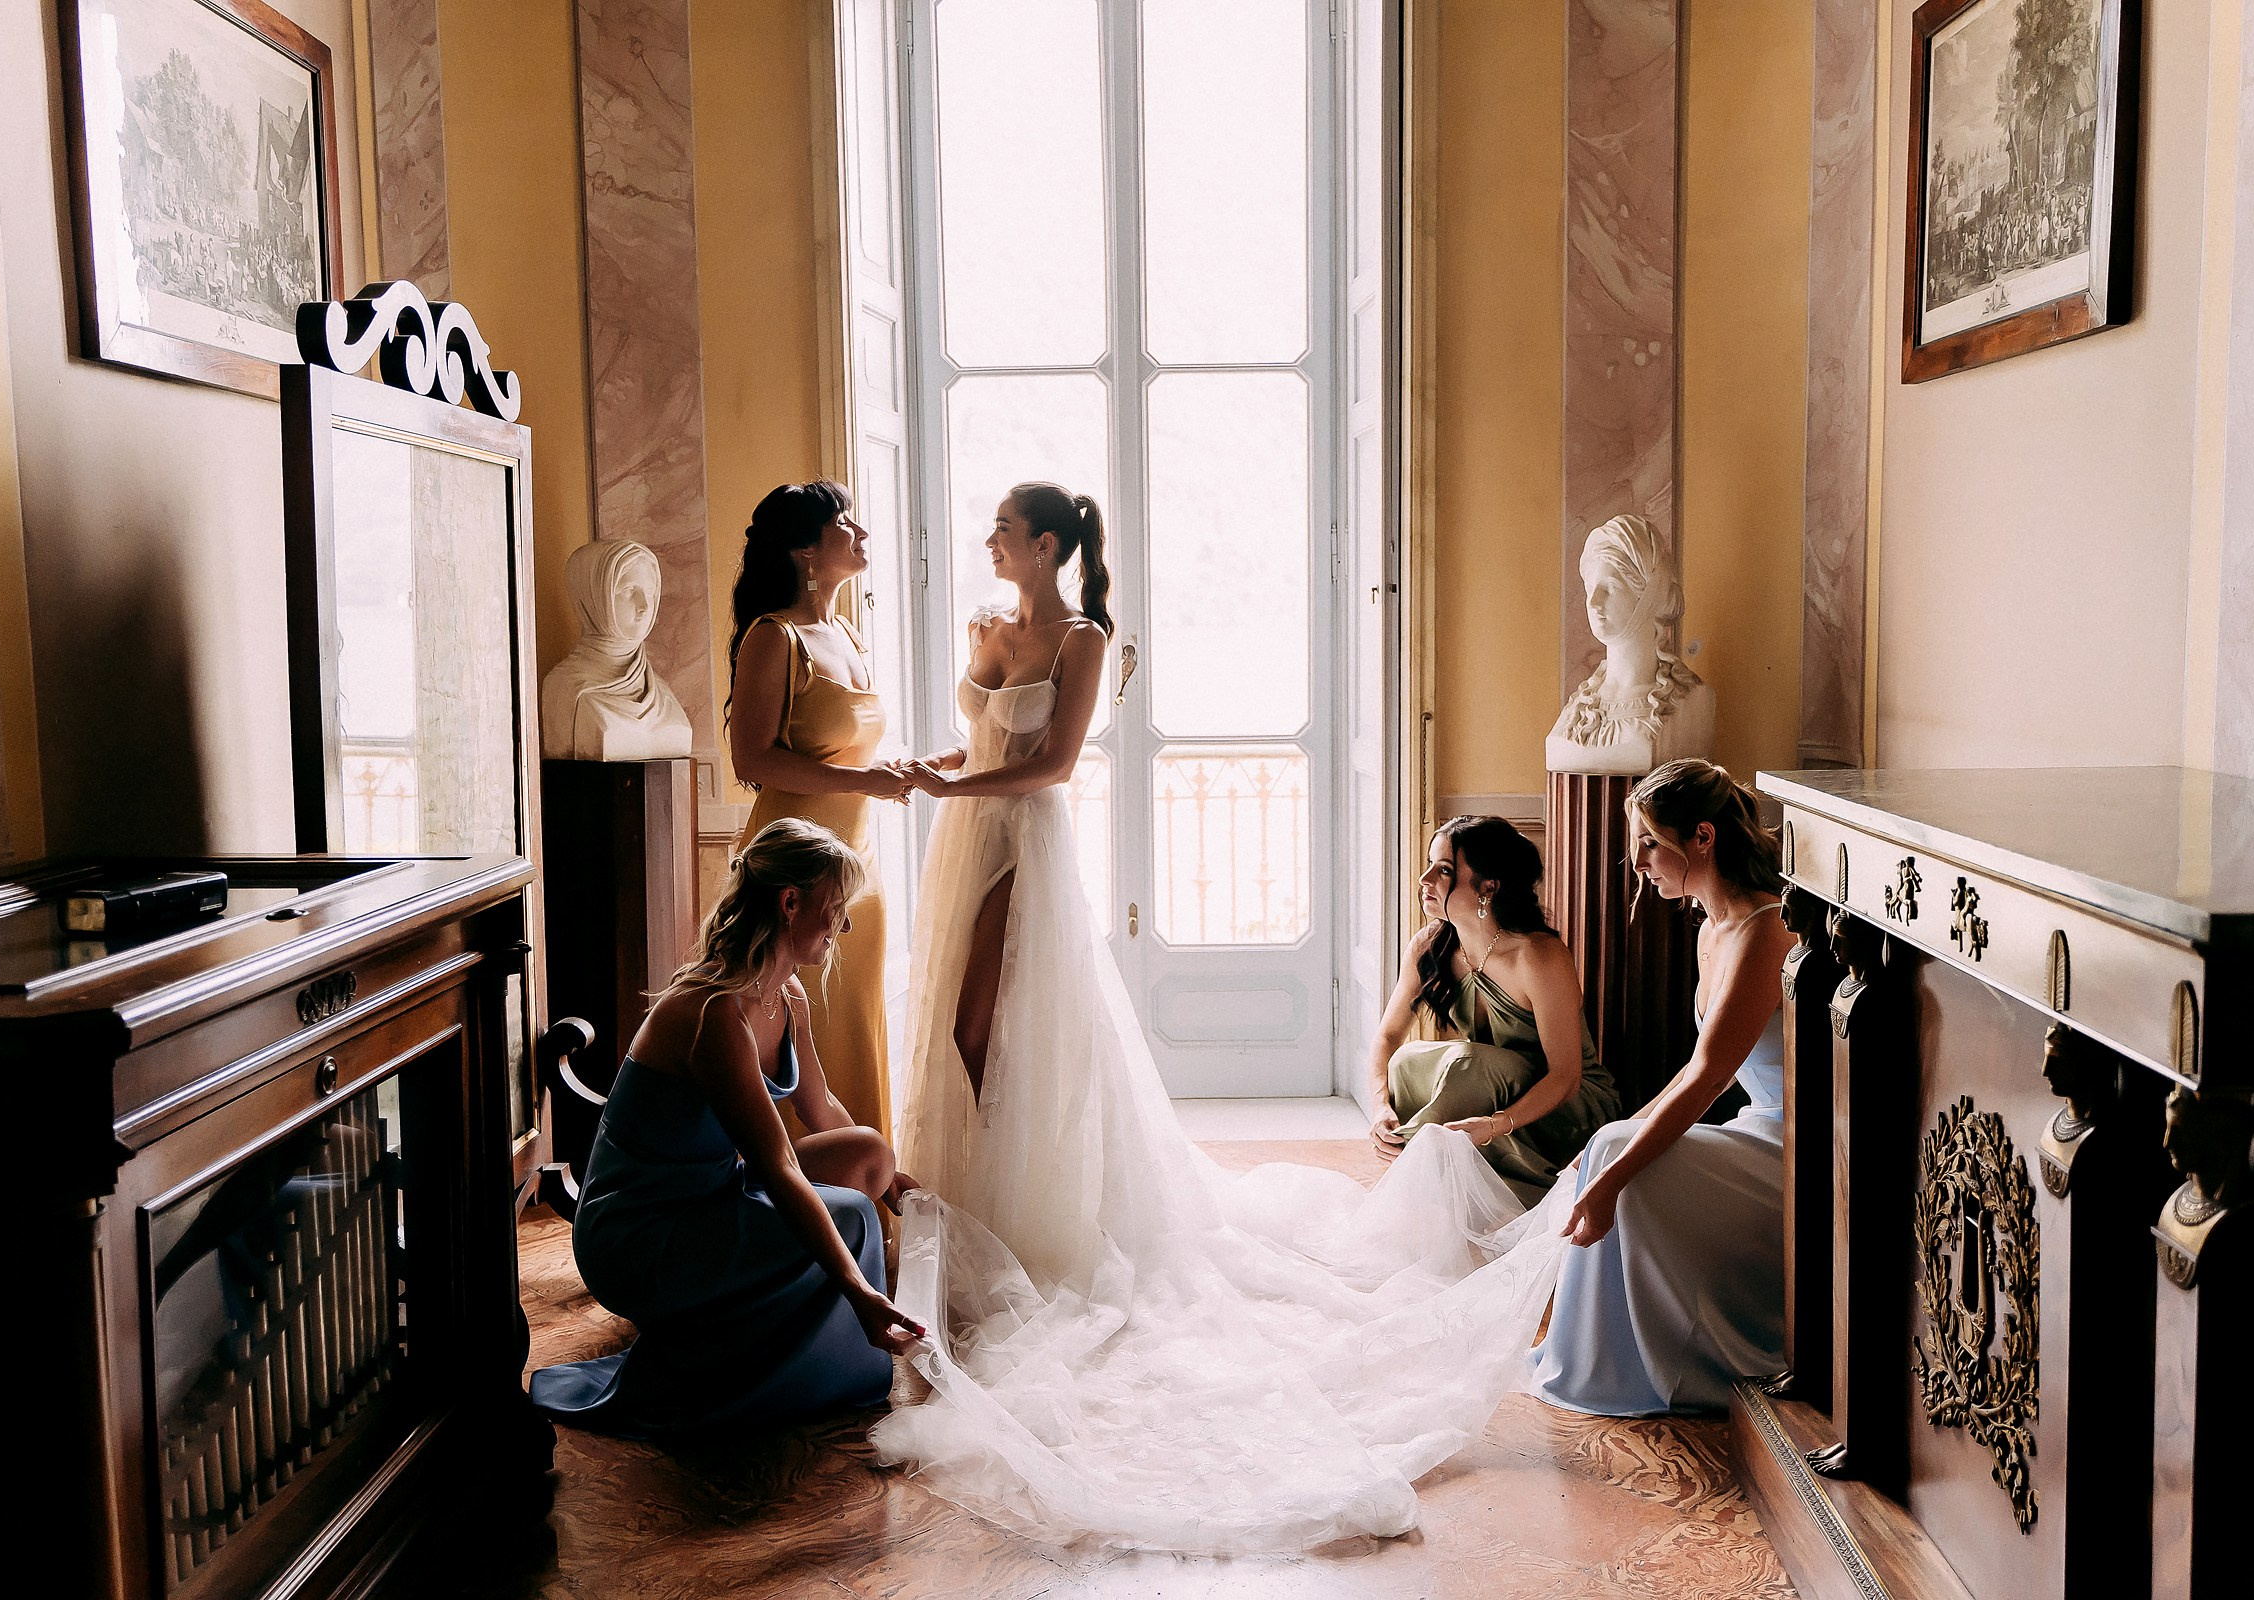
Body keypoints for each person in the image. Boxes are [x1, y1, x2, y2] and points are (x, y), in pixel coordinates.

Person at [874, 482, 1574, 1554]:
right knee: (952, 1036)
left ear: (1049, 546)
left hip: (1023, 838)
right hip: (966, 837)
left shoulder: (1082, 635)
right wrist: (938, 759)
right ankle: (965, 1208)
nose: (989, 541)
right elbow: (973, 740)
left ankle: (1029, 1221)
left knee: (997, 1035)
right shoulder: (991, 628)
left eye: (1006, 530)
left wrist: (950, 789)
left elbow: (1051, 764)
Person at [529, 819, 926, 1439]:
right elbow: (777, 1168)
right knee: (849, 1217)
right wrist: (857, 1290)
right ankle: (794, 1358)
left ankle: (780, 1326)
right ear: (790, 902)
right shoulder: (713, 1012)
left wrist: (887, 1175)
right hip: (640, 1235)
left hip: (712, 1194)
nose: (843, 925)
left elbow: (819, 1108)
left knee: (869, 1155)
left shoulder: (787, 996)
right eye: (835, 906)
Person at [1527, 758, 1796, 1415]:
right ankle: (1604, 1358)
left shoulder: (1766, 931)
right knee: (1611, 1146)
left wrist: (1613, 1176)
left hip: (1799, 1146)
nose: (1638, 861)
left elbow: (1707, 1078)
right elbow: (1692, 1067)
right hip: (1755, 1128)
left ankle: (1669, 1365)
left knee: (1622, 1165)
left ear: (1702, 837)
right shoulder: (1711, 929)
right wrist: (1605, 1151)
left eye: (1649, 841)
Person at [726, 481, 908, 1137]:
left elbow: (846, 748)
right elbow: (753, 760)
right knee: (794, 1039)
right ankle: (793, 1218)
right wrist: (864, 777)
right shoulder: (773, 638)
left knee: (854, 1030)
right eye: (846, 522)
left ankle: (865, 1213)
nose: (861, 534)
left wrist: (900, 772)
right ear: (806, 549)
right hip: (791, 875)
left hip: (855, 871)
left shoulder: (848, 635)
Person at [1367, 815, 1619, 1202]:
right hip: (1491, 1084)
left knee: (1469, 1063)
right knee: (1408, 1061)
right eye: (1430, 865)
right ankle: (1418, 1168)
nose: (1425, 879)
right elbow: (1387, 1036)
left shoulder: (1537, 956)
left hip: (1569, 1106)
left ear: (1489, 887)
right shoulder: (1429, 946)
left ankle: (1409, 1183)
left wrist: (1495, 1124)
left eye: (1445, 870)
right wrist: (1380, 1105)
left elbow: (1566, 1076)